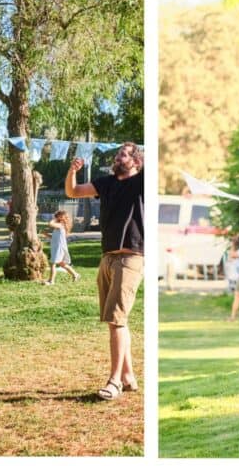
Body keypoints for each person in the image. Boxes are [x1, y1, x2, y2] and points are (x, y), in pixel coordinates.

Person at [65, 143, 143, 401]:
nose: (117, 157)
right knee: (118, 321)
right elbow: (73, 191)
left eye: (123, 154)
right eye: (117, 154)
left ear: (136, 162)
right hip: (107, 258)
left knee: (116, 320)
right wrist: (72, 171)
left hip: (131, 257)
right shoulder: (106, 183)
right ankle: (129, 376)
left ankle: (114, 382)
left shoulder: (141, 183)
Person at [42, 210, 81, 285]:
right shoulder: (60, 225)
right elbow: (54, 237)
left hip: (59, 248)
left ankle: (51, 281)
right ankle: (75, 275)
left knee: (53, 263)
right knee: (62, 264)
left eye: (58, 215)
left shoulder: (61, 225)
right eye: (56, 215)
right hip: (57, 247)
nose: (56, 217)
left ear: (62, 217)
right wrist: (46, 234)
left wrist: (54, 219)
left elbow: (50, 224)